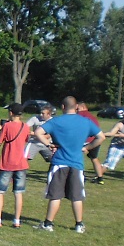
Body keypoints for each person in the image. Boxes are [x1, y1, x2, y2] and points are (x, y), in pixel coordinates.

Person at [32, 96, 103, 233]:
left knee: (55, 195)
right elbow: (101, 137)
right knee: (77, 196)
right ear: (76, 107)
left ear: (63, 107)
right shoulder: (85, 121)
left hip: (59, 162)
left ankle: (48, 224)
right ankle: (79, 224)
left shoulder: (56, 121)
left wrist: (49, 144)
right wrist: (87, 147)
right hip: (77, 163)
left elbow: (38, 132)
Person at [0, 103, 31, 228]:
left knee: (0, 191)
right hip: (21, 164)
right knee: (18, 193)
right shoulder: (25, 126)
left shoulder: (7, 126)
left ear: (11, 113)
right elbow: (26, 140)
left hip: (7, 163)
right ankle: (17, 220)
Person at [77, 102, 106, 183]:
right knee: (94, 158)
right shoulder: (92, 116)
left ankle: (81, 176)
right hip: (95, 140)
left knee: (78, 158)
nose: (76, 110)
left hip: (85, 140)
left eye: (77, 108)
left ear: (83, 107)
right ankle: (100, 178)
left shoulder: (80, 115)